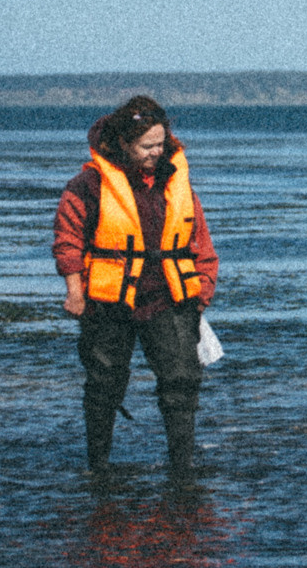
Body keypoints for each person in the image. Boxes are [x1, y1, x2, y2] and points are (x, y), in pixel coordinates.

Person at [52, 95, 220, 473]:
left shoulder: (178, 184)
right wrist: (74, 292)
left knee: (181, 383)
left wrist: (202, 294)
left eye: (161, 144)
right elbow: (68, 240)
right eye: (147, 146)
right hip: (107, 301)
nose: (156, 152)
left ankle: (182, 468)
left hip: (170, 297)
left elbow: (201, 242)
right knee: (104, 384)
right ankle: (98, 466)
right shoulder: (88, 185)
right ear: (124, 144)